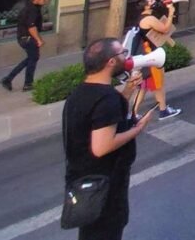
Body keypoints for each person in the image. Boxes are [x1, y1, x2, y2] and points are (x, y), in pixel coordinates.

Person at [63, 37, 155, 240]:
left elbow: (103, 118)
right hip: (105, 186)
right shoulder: (106, 99)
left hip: (85, 182)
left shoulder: (80, 93)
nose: (127, 56)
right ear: (111, 62)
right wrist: (137, 129)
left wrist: (128, 90)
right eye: (123, 53)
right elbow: (101, 147)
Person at [132, 0, 181, 120]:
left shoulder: (142, 17)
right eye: (150, 1)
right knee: (158, 84)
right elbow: (165, 29)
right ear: (146, 6)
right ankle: (163, 111)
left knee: (143, 86)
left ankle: (133, 114)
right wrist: (171, 13)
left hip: (145, 54)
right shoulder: (149, 19)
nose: (153, 1)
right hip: (152, 56)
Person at [0, 0, 49, 92]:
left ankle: (9, 79)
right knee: (33, 59)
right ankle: (27, 83)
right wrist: (38, 40)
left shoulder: (31, 7)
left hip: (24, 38)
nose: (46, 0)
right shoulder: (32, 10)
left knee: (31, 59)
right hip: (28, 38)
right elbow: (31, 27)